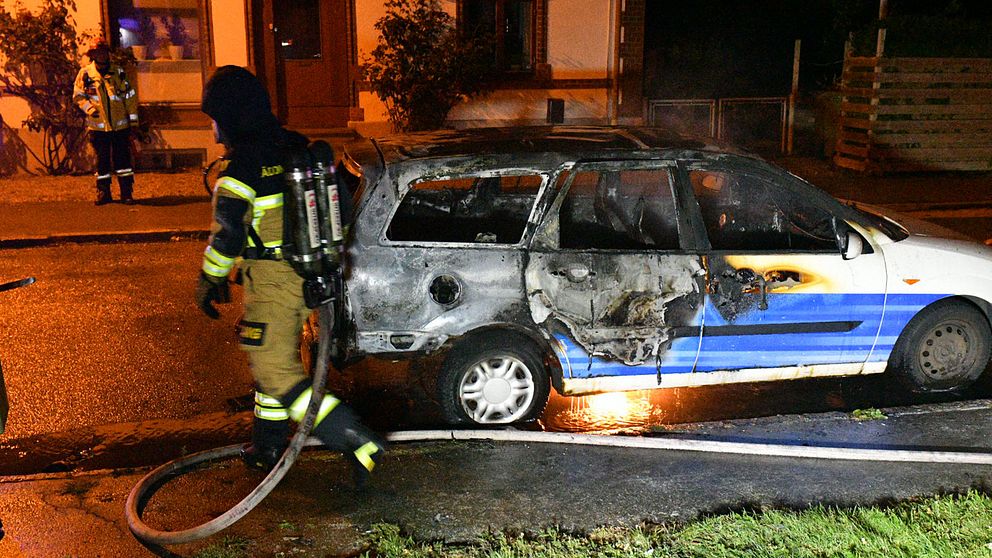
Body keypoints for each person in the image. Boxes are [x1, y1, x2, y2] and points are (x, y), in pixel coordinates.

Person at [194, 65, 385, 485]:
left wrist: (209, 280)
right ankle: (268, 444)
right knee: (273, 358)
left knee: (275, 370)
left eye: (214, 119)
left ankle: (358, 440)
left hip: (273, 282)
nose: (213, 128)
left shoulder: (240, 168)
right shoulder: (295, 148)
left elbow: (227, 236)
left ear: (229, 118)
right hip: (309, 276)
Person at [73, 39, 139, 205]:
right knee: (102, 162)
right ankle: (104, 193)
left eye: (103, 52)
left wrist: (133, 122)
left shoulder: (118, 72)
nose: (101, 55)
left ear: (107, 54)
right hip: (98, 128)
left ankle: (126, 193)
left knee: (123, 162)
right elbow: (78, 96)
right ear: (93, 55)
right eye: (97, 53)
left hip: (120, 126)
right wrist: (90, 109)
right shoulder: (85, 74)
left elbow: (130, 97)